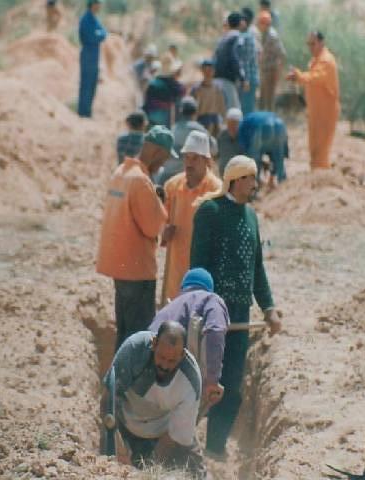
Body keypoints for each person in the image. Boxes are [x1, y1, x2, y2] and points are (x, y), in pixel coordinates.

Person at [190, 155, 281, 459]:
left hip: (240, 316)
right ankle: (182, 442)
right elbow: (198, 265)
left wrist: (268, 308)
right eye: (251, 178)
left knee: (231, 384)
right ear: (236, 179)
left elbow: (257, 269)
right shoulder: (210, 212)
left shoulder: (252, 217)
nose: (255, 184)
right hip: (211, 313)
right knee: (199, 380)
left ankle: (215, 447)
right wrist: (200, 306)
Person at [96, 126, 176, 351]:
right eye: (165, 158)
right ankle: (131, 384)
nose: (163, 164)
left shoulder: (121, 172)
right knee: (139, 338)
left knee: (124, 330)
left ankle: (118, 383)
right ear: (157, 152)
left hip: (120, 266)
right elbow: (152, 227)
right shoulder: (141, 181)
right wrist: (161, 207)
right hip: (137, 269)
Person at [103, 322, 206, 478]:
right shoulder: (134, 350)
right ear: (154, 344)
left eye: (172, 361)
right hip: (127, 426)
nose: (164, 365)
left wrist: (151, 470)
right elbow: (107, 400)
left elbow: (175, 436)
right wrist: (119, 448)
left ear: (182, 356)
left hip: (166, 432)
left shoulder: (191, 381)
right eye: (161, 357)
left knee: (195, 472)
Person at [150, 268, 229, 409]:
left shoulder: (166, 309)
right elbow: (215, 331)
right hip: (182, 382)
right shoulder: (211, 299)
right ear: (209, 289)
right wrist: (212, 380)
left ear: (183, 288)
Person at [161, 132, 222, 301]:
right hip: (176, 273)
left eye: (195, 158)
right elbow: (161, 220)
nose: (189, 163)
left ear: (206, 161)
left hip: (203, 272)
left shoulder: (216, 190)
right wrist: (163, 232)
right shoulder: (172, 187)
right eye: (187, 158)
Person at [287, 31, 339, 169]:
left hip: (325, 113)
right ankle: (316, 178)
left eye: (313, 44)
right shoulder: (315, 61)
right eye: (308, 44)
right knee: (314, 148)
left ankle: (321, 181)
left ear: (321, 43)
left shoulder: (326, 61)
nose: (310, 47)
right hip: (315, 112)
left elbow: (316, 77)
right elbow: (311, 77)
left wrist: (299, 76)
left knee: (321, 150)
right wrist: (297, 78)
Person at [156, 97, 210, 186]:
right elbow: (213, 148)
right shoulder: (199, 129)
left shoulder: (173, 129)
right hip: (188, 177)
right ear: (195, 112)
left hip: (168, 174)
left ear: (181, 112)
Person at [238, 111, 288, 187]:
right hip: (279, 124)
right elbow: (279, 155)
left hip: (259, 127)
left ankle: (255, 186)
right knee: (279, 158)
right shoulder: (247, 120)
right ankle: (282, 182)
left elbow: (248, 153)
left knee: (253, 160)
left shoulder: (242, 127)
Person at [78, 0, 107, 118]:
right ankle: (83, 111)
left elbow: (103, 33)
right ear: (92, 4)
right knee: (86, 83)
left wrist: (100, 34)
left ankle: (88, 110)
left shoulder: (94, 19)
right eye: (97, 3)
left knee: (93, 83)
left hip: (94, 54)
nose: (99, 6)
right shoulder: (86, 19)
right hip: (88, 54)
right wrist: (100, 34)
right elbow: (93, 37)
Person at [213, 12, 245, 111]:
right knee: (234, 112)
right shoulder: (237, 37)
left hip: (217, 78)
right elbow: (234, 57)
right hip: (228, 80)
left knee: (221, 111)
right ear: (240, 23)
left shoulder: (223, 38)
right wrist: (242, 77)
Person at [143, 54, 185, 128]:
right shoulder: (175, 86)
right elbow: (181, 94)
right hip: (166, 119)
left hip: (151, 118)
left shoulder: (152, 83)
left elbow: (146, 103)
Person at [257, 11, 286, 111]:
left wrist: (278, 72)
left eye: (260, 23)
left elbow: (282, 54)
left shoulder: (272, 36)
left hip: (270, 71)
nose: (258, 25)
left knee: (269, 101)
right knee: (262, 100)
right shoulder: (264, 34)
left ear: (265, 23)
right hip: (264, 71)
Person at [191, 60, 227, 137]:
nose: (208, 73)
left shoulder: (218, 89)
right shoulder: (197, 89)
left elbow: (222, 107)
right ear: (202, 71)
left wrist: (224, 122)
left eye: (210, 70)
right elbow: (194, 110)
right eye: (206, 70)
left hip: (215, 123)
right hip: (201, 122)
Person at [238, 7, 260, 115]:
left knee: (247, 110)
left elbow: (246, 61)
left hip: (248, 79)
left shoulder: (247, 37)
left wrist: (245, 80)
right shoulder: (245, 36)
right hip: (249, 78)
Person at [216, 108, 245, 176]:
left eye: (235, 124)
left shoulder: (245, 137)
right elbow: (217, 154)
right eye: (230, 123)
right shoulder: (222, 136)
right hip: (224, 175)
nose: (232, 127)